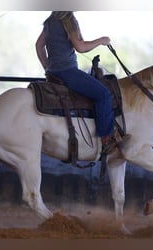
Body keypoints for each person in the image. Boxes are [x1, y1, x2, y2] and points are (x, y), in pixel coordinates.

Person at [35, 11, 117, 154]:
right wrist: (101, 40)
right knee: (104, 94)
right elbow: (81, 47)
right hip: (68, 72)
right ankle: (106, 138)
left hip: (54, 73)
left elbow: (39, 45)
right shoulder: (69, 20)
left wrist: (47, 67)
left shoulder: (50, 21)